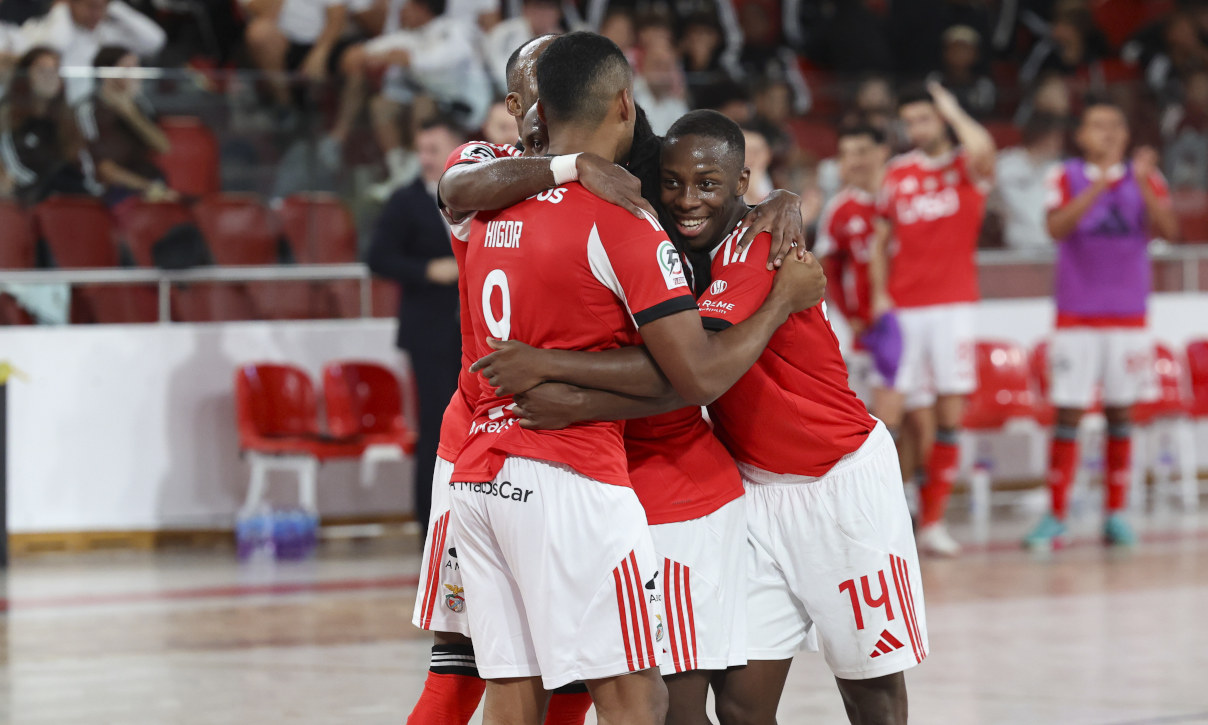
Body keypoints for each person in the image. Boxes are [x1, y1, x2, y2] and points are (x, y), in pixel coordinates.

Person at [476, 109, 926, 725]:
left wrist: (568, 390)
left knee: (869, 690)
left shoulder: (758, 248)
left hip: (839, 485)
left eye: (708, 185)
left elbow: (693, 377)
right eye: (673, 182)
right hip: (754, 494)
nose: (688, 199)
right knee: (740, 707)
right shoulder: (675, 237)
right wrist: (784, 196)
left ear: (742, 184)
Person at [449, 32, 820, 724]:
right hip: (579, 478)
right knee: (640, 700)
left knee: (514, 698)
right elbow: (699, 371)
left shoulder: (494, 203)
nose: (682, 197)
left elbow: (452, 191)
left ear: (539, 107)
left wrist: (778, 198)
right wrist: (782, 299)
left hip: (481, 469)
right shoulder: (623, 215)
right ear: (625, 102)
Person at [1024, 98, 1178, 551]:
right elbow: (1055, 228)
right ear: (1082, 134)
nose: (1108, 133)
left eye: (1116, 125)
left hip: (1129, 314)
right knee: (1068, 410)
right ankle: (1056, 515)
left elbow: (1168, 228)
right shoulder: (1063, 175)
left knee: (1121, 411)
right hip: (1076, 313)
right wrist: (1102, 185)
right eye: (1098, 125)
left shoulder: (1148, 177)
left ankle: (1116, 514)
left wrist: (1142, 183)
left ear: (1127, 135)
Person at [869, 81, 997, 557]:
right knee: (888, 416)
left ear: (941, 120)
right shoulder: (897, 173)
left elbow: (985, 147)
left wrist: (954, 107)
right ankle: (884, 517)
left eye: (925, 118)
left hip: (953, 308)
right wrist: (881, 295)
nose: (916, 128)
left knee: (948, 415)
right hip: (904, 309)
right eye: (910, 121)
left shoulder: (967, 168)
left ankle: (934, 522)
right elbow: (880, 243)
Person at [366, 117, 466, 543]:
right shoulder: (404, 201)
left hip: (475, 332)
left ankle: (471, 517)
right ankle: (430, 522)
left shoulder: (481, 196)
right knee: (436, 425)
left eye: (434, 149)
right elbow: (378, 258)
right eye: (421, 150)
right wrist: (428, 269)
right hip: (429, 333)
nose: (425, 159)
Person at [815, 123, 891, 405]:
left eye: (861, 152)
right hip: (861, 328)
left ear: (882, 152)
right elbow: (827, 272)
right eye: (846, 154)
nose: (854, 161)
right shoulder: (839, 209)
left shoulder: (901, 199)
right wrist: (849, 317)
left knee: (915, 412)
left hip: (904, 317)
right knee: (864, 409)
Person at [76, 45, 177, 229]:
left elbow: (164, 146)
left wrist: (129, 113)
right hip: (111, 193)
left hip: (148, 185)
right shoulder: (89, 110)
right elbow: (104, 170)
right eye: (128, 69)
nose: (136, 75)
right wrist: (148, 188)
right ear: (107, 74)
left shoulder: (139, 106)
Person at [0, 47, 94, 205]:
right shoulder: (7, 116)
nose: (50, 77)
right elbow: (13, 168)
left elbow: (82, 164)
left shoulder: (68, 118)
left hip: (68, 198)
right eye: (42, 70)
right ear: (25, 75)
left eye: (55, 70)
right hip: (29, 198)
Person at [21, 0, 165, 103]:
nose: (96, 14)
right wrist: (61, 9)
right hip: (56, 105)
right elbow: (54, 45)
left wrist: (114, 5)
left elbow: (155, 40)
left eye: (101, 8)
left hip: (97, 107)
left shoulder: (107, 32)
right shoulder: (45, 28)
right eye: (90, 6)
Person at [992, 113, 1066, 251]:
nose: (1058, 143)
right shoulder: (1005, 165)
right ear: (1040, 136)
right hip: (1017, 245)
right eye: (1054, 137)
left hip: (1053, 246)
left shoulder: (1058, 169)